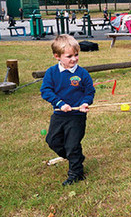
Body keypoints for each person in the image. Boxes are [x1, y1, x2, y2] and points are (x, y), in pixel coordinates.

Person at [40, 35, 95, 186]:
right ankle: (75, 157)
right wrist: (59, 103)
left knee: (72, 145)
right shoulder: (52, 73)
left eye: (76, 55)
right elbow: (46, 91)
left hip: (76, 116)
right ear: (57, 56)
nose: (74, 59)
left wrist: (84, 103)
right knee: (52, 141)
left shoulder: (82, 74)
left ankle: (76, 173)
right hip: (59, 114)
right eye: (69, 56)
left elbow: (89, 92)